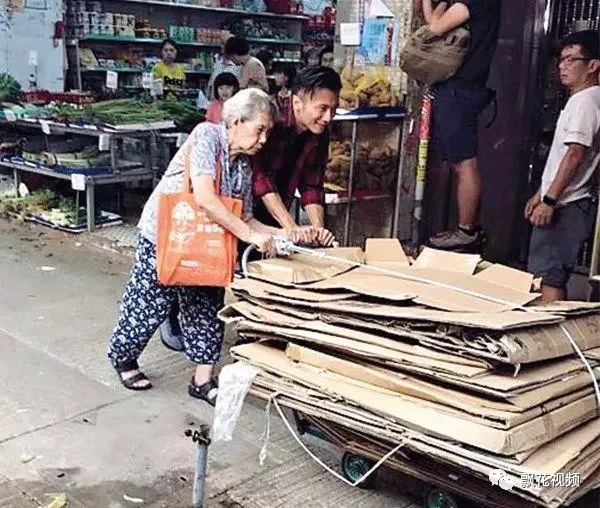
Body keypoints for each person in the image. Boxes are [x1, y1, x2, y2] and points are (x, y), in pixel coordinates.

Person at [108, 89, 298, 405]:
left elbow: (247, 217)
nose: (263, 139)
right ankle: (123, 357)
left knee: (207, 306)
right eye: (259, 129)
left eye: (268, 132)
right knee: (148, 302)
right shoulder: (207, 136)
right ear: (236, 121)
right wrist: (251, 238)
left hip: (205, 248)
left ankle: (202, 380)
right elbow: (205, 198)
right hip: (166, 236)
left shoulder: (243, 166)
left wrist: (281, 236)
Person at [525, 31, 600, 303]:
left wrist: (550, 200)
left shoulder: (585, 101)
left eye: (571, 60)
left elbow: (575, 155)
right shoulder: (587, 100)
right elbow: (564, 156)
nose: (562, 66)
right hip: (565, 201)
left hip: (567, 204)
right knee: (546, 274)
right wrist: (540, 194)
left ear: (592, 65)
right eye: (561, 60)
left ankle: (551, 338)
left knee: (549, 277)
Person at [422, 0, 501, 252]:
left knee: (464, 162)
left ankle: (466, 231)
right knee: (458, 162)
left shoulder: (473, 2)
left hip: (460, 89)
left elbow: (434, 28)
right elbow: (433, 24)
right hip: (461, 88)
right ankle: (464, 229)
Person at [253, 66, 341, 244]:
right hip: (245, 212)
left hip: (278, 210)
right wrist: (291, 227)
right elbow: (262, 179)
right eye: (322, 108)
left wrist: (318, 230)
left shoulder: (320, 132)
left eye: (333, 109)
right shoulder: (271, 120)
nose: (328, 117)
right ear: (297, 103)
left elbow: (312, 185)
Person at [206, 33, 240, 100]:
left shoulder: (239, 66)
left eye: (224, 44)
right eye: (222, 44)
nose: (222, 47)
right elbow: (210, 84)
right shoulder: (217, 63)